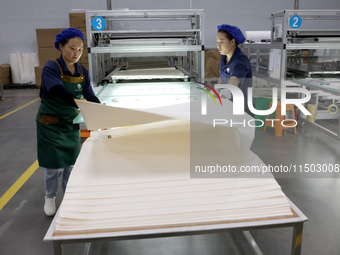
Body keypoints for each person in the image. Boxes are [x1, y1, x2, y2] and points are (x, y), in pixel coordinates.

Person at [36, 28, 101, 216]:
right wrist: (80, 105)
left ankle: (68, 197)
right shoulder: (52, 67)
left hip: (70, 123)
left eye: (80, 50)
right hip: (50, 123)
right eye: (72, 48)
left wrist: (100, 109)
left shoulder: (82, 71)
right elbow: (57, 91)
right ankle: (50, 197)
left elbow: (89, 95)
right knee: (52, 166)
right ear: (61, 46)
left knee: (70, 165)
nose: (76, 54)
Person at [216, 24, 253, 116]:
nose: (218, 46)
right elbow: (222, 76)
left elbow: (235, 80)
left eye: (221, 42)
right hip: (229, 105)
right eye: (217, 42)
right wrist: (216, 90)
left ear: (232, 42)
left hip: (242, 109)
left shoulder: (240, 60)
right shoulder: (224, 56)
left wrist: (226, 92)